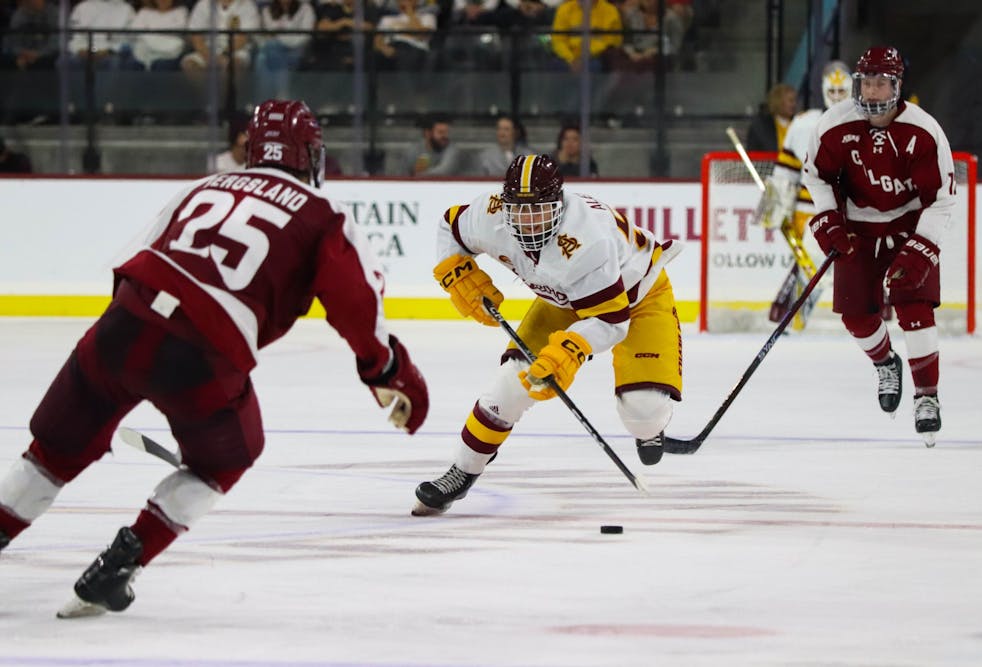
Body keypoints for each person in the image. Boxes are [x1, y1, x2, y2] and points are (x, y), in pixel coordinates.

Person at [0, 99, 429, 617]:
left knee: (52, 453)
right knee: (226, 458)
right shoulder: (323, 214)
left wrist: (125, 349)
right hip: (202, 354)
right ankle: (122, 563)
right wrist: (388, 371)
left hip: (123, 323)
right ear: (310, 154)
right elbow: (356, 304)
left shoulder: (203, 187)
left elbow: (133, 259)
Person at [412, 154, 683, 516]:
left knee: (643, 412)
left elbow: (611, 320)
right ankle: (462, 471)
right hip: (562, 298)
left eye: (537, 210)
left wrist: (570, 351)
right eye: (517, 210)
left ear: (559, 204)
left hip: (637, 299)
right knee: (510, 385)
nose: (525, 222)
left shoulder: (589, 241)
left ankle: (651, 425)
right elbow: (450, 227)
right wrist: (457, 270)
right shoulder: (489, 215)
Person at [801, 46, 955, 445]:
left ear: (896, 85)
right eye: (866, 83)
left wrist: (921, 248)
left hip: (909, 226)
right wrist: (828, 220)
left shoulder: (924, 131)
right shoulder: (834, 125)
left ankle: (927, 396)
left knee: (915, 308)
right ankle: (886, 362)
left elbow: (941, 198)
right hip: (859, 230)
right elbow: (817, 177)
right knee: (856, 317)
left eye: (880, 83)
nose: (871, 92)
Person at [754, 60, 851, 327]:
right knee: (812, 266)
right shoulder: (804, 125)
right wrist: (775, 209)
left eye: (842, 92)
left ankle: (879, 318)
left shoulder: (868, 123)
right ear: (822, 90)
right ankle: (792, 318)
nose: (836, 98)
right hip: (814, 213)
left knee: (866, 268)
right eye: (832, 92)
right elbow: (786, 173)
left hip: (856, 213)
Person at [745, 82, 797, 152]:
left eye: (795, 100)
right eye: (791, 101)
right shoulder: (760, 126)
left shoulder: (799, 123)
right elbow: (753, 153)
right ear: (778, 102)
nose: (794, 104)